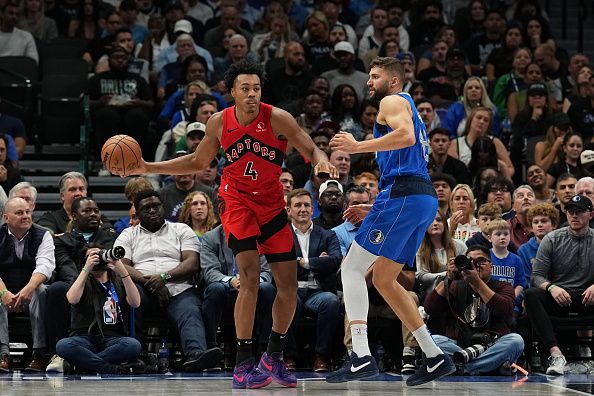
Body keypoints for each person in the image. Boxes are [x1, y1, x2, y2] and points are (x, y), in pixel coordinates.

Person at [110, 59, 337, 389]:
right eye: (244, 89)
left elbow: (310, 148)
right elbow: (197, 161)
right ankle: (244, 362)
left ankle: (273, 357)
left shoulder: (278, 118)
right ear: (232, 92)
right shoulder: (219, 122)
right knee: (248, 278)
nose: (251, 94)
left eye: (256, 88)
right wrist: (146, 165)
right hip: (237, 201)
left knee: (287, 286)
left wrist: (322, 162)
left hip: (272, 205)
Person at [325, 57, 456, 385]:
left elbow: (405, 136)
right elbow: (409, 165)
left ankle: (360, 355)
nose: (369, 82)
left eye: (374, 76)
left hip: (403, 195)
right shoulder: (407, 104)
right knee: (384, 279)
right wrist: (373, 207)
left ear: (393, 80)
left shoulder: (392, 100)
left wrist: (357, 146)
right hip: (420, 198)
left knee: (352, 268)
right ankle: (435, 356)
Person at [116, 190, 222, 372]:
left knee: (190, 308)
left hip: (178, 287)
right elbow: (120, 265)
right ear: (137, 213)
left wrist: (164, 278)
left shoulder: (181, 229)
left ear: (163, 207)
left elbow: (192, 263)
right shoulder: (128, 234)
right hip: (142, 288)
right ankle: (136, 356)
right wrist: (152, 283)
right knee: (131, 300)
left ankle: (196, 356)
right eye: (146, 208)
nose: (152, 211)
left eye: (156, 206)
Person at [423, 245, 525, 375]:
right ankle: (488, 366)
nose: (475, 265)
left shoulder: (504, 286)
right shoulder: (456, 285)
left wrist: (477, 282)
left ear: (491, 266)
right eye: (470, 261)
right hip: (459, 344)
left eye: (481, 261)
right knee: (434, 340)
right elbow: (429, 308)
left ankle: (463, 367)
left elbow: (504, 310)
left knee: (516, 341)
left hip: (491, 345)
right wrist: (448, 278)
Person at [46, 197, 118, 373]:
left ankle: (80, 361)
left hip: (105, 284)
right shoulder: (62, 240)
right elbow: (66, 267)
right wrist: (82, 283)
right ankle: (58, 354)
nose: (93, 214)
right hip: (76, 284)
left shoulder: (109, 236)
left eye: (96, 210)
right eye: (87, 211)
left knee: (132, 346)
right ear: (73, 216)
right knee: (57, 289)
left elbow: (110, 266)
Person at [525, 195, 594, 375]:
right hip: (559, 295)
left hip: (587, 297)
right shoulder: (552, 239)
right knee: (531, 294)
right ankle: (556, 354)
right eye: (571, 211)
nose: (574, 215)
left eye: (579, 212)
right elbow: (537, 276)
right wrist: (551, 287)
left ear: (591, 215)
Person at [55, 245, 145, 375]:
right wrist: (86, 269)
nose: (98, 260)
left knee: (133, 345)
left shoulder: (118, 282)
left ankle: (82, 365)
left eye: (100, 255)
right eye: (92, 256)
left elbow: (135, 303)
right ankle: (110, 368)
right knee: (63, 345)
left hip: (113, 339)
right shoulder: (81, 281)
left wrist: (123, 272)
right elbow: (72, 299)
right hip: (84, 338)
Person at [200, 225, 275, 361]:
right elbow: (210, 272)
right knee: (214, 289)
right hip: (227, 292)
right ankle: (211, 348)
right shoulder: (210, 238)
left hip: (254, 290)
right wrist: (232, 281)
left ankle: (265, 349)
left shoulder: (259, 236)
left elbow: (266, 271)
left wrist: (251, 282)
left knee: (268, 289)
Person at [285, 189, 341, 372]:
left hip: (318, 291)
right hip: (292, 289)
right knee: (288, 301)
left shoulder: (327, 235)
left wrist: (304, 262)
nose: (303, 209)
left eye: (307, 205)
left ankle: (321, 356)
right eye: (298, 205)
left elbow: (334, 261)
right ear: (288, 210)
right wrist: (318, 262)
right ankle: (288, 356)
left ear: (313, 209)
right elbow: (280, 265)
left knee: (331, 301)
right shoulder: (281, 235)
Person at [0, 197, 55, 372]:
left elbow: (45, 266)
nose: (25, 216)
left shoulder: (43, 234)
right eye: (19, 213)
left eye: (27, 212)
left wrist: (28, 289)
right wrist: (4, 293)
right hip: (4, 291)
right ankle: (3, 355)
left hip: (31, 290)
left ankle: (39, 354)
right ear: (6, 218)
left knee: (41, 291)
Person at [37, 172, 113, 236]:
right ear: (62, 196)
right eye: (72, 190)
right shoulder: (51, 218)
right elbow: (45, 236)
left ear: (86, 192)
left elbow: (110, 235)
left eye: (81, 189)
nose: (78, 193)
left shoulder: (98, 217)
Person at [517, 203, 559, 288]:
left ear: (553, 225)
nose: (539, 225)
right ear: (531, 227)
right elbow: (525, 279)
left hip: (559, 291)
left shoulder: (561, 246)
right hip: (535, 293)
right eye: (535, 222)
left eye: (543, 221)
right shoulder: (524, 250)